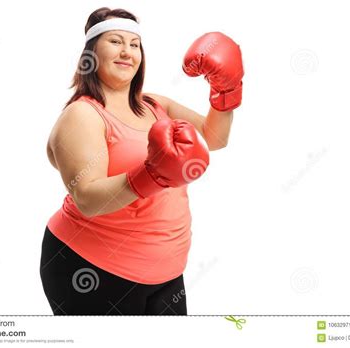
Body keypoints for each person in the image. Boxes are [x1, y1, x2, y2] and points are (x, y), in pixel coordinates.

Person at [40, 7, 244, 315]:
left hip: (167, 275)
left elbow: (215, 138)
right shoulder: (82, 115)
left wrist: (226, 91)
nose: (127, 52)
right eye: (115, 41)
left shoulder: (154, 104)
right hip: (93, 269)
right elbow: (87, 199)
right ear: (91, 53)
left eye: (134, 45)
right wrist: (154, 174)